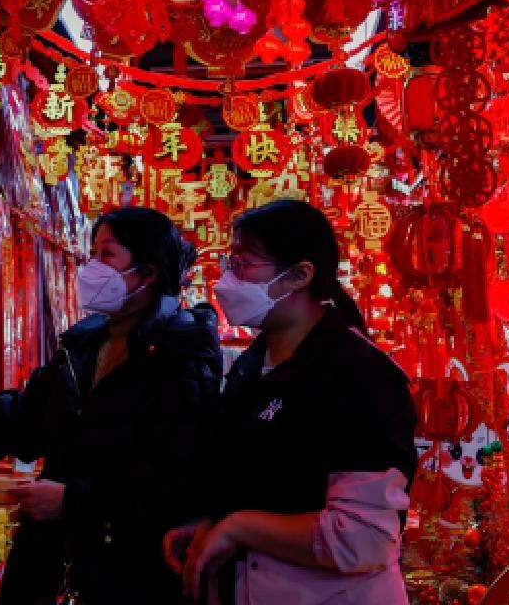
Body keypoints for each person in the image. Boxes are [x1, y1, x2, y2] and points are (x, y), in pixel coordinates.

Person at [0, 206, 222, 605]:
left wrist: (75, 502)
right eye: (93, 252)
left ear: (148, 273)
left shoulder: (181, 354)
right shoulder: (85, 345)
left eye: (107, 255)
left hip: (131, 572)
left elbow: (177, 481)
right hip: (53, 559)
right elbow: (28, 416)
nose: (91, 267)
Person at [165, 200, 417, 604]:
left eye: (244, 264)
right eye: (230, 263)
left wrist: (239, 527)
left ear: (299, 275)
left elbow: (361, 539)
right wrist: (211, 523)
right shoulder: (253, 363)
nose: (228, 280)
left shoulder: (357, 373)